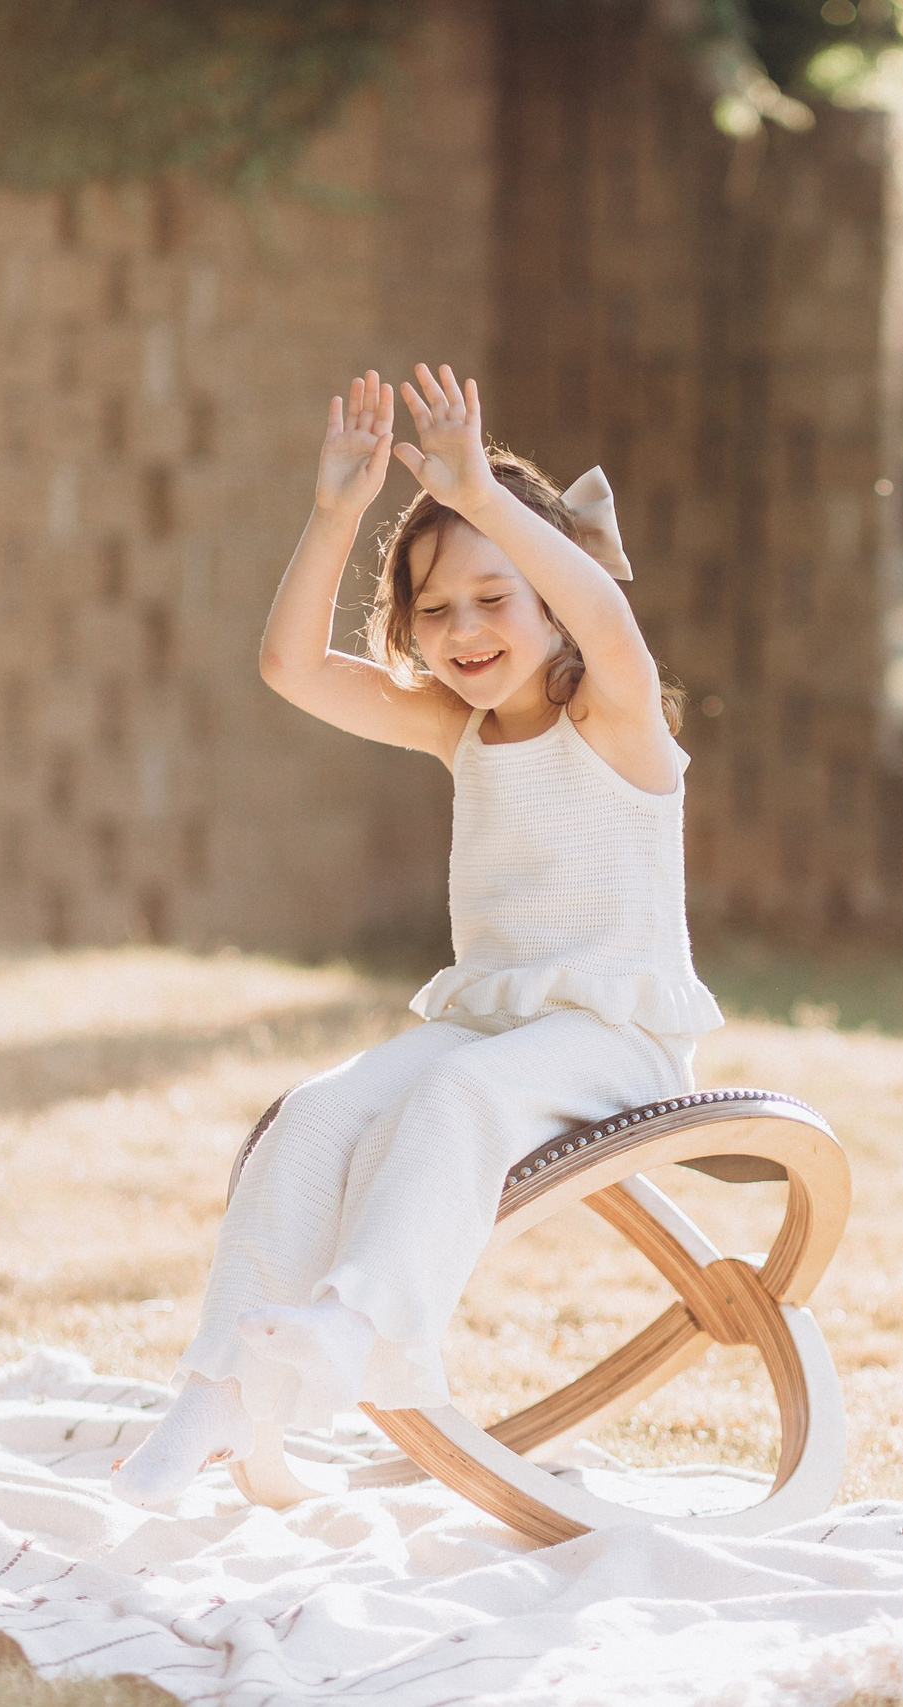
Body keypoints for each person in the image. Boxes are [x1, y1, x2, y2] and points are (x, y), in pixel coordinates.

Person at [112, 364, 720, 1507]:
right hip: (495, 1028)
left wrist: (485, 496)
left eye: (496, 597)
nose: (464, 630)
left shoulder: (618, 717)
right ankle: (214, 1394)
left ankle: (358, 1327)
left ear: (550, 597)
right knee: (318, 1112)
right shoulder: (463, 734)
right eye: (434, 610)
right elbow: (291, 668)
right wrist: (338, 509)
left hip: (614, 1039)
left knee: (452, 1101)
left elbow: (608, 621)